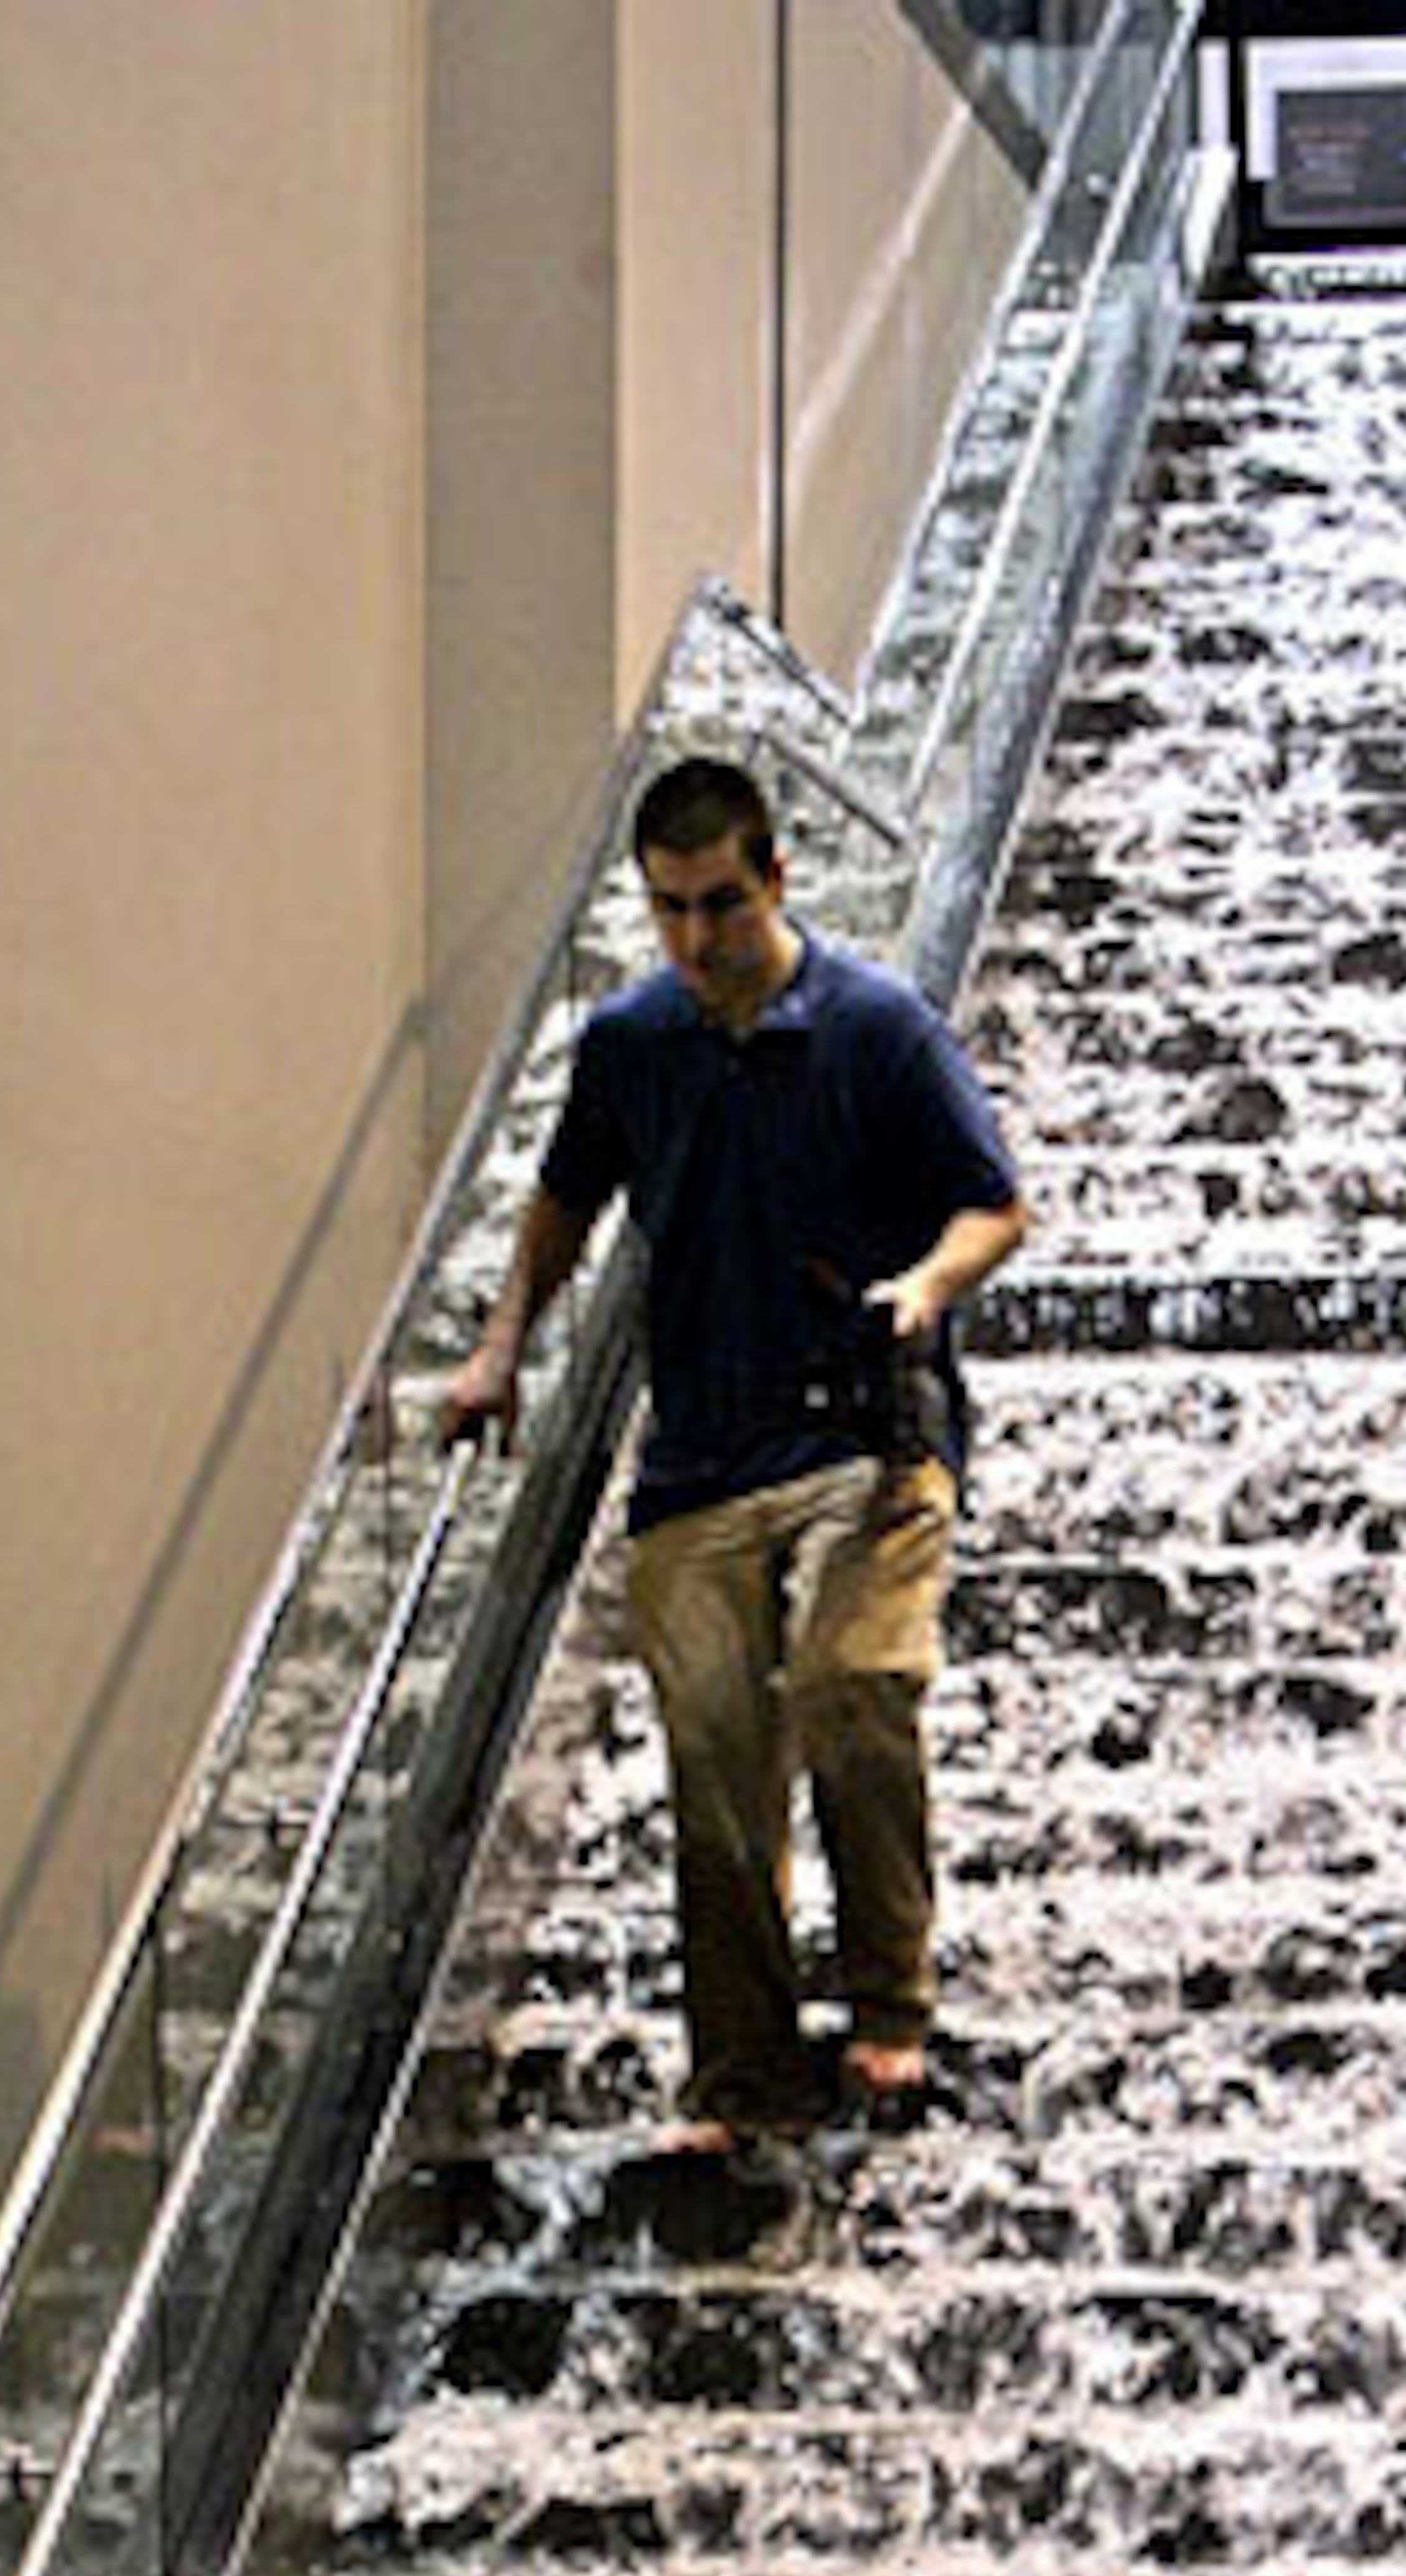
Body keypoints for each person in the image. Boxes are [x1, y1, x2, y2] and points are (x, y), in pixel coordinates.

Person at [444, 754, 1028, 2157]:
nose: (695, 938)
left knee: (852, 1680)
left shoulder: (878, 1029)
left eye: (718, 904)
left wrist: (924, 1288)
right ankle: (747, 2076)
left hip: (866, 1442)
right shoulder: (633, 1041)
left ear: (776, 877)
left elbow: (994, 1205)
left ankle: (889, 2006)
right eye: (669, 910)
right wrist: (500, 1348)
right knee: (714, 1760)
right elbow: (563, 1200)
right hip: (698, 1464)